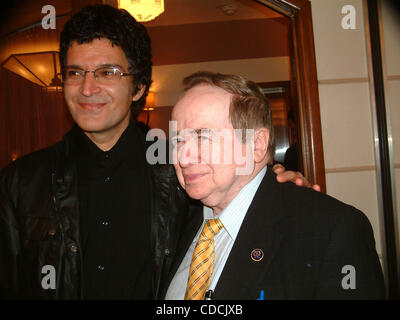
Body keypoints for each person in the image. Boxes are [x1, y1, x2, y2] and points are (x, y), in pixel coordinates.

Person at [0, 5, 312, 300]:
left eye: (107, 73)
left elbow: (243, 207)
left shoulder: (183, 170)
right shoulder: (20, 182)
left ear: (138, 87)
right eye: (75, 73)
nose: (87, 88)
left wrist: (274, 187)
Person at [161, 71, 385, 300]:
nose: (183, 157)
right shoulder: (175, 221)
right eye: (178, 140)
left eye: (203, 136)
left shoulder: (330, 230)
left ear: (257, 145)